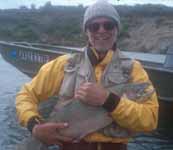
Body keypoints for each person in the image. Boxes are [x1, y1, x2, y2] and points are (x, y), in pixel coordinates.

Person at [16, 1, 159, 150]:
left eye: (108, 25)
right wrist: (34, 125)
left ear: (117, 29)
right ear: (86, 31)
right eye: (94, 26)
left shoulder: (134, 69)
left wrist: (109, 100)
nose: (101, 30)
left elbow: (150, 120)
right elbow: (25, 94)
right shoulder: (64, 64)